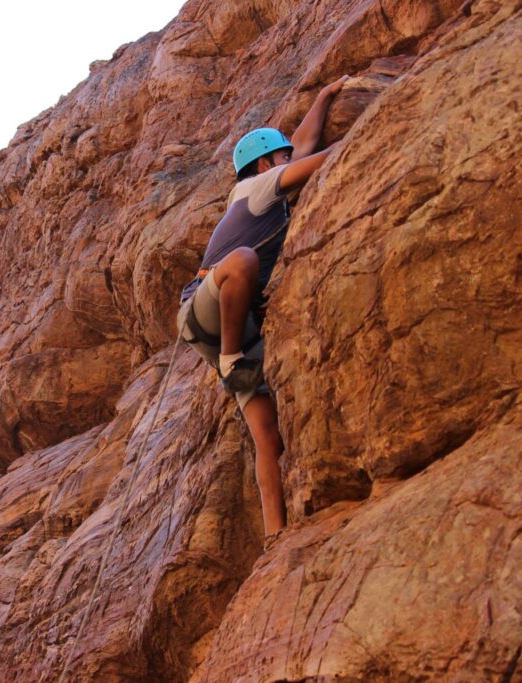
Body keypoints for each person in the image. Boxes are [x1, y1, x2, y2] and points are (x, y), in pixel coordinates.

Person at [177, 76, 350, 543]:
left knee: (266, 435)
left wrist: (325, 96)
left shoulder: (265, 182)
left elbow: (304, 142)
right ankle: (235, 359)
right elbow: (315, 156)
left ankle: (275, 534)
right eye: (281, 157)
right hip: (209, 309)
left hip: (235, 320)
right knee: (244, 260)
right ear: (265, 164)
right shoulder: (256, 187)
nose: (287, 162)